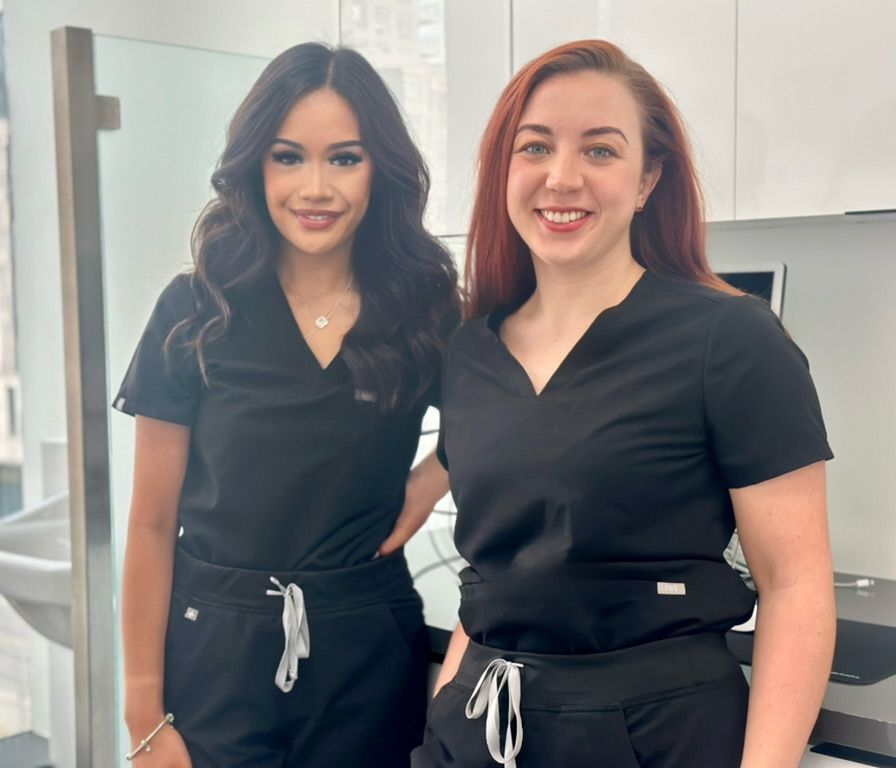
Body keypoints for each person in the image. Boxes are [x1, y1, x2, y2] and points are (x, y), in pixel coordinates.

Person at [413, 40, 834, 768]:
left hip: (658, 735)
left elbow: (795, 585)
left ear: (648, 180)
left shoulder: (731, 339)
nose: (562, 176)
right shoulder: (469, 353)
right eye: (535, 146)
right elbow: (493, 580)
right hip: (481, 725)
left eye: (601, 151)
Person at [116, 42, 459, 767]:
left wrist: (432, 479)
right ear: (254, 166)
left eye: (344, 158)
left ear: (380, 170)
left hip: (368, 647)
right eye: (288, 157)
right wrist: (143, 713)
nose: (315, 188)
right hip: (213, 652)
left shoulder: (421, 306)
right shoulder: (195, 310)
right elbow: (150, 523)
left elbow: (514, 416)